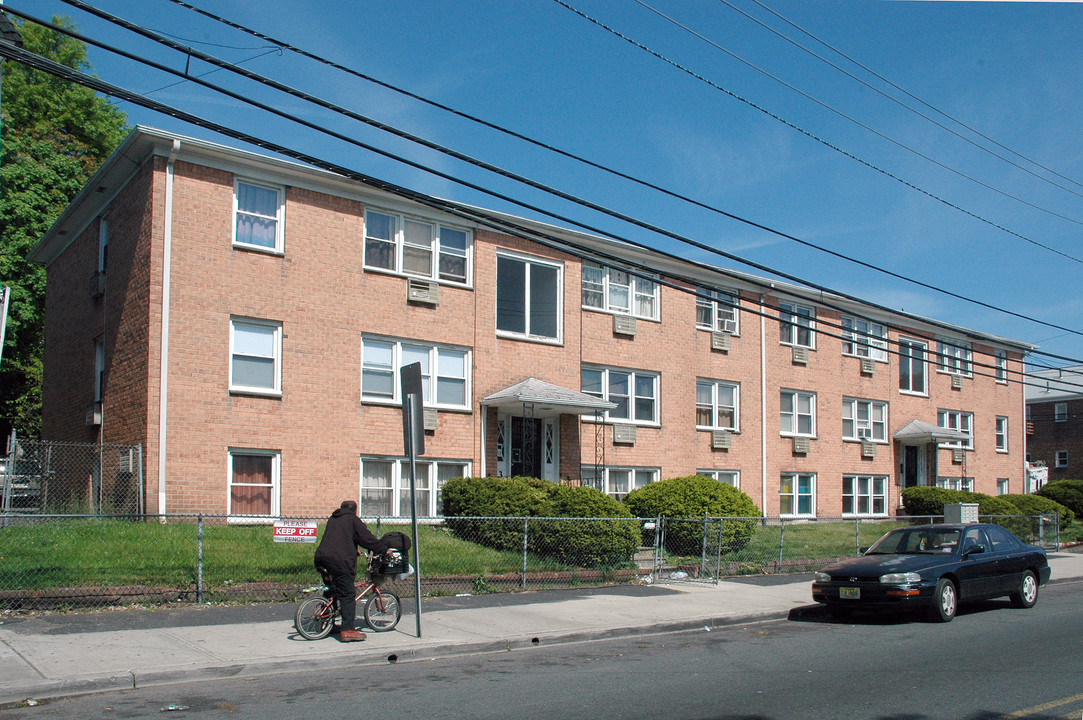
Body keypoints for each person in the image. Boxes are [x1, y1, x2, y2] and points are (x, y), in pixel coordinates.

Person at [314, 500, 392, 642]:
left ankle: (327, 623)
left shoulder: (333, 519)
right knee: (348, 593)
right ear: (355, 510)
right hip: (339, 561)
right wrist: (384, 550)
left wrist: (354, 549)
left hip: (322, 558)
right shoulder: (353, 520)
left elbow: (338, 539)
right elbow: (367, 539)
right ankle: (348, 630)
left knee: (332, 590)